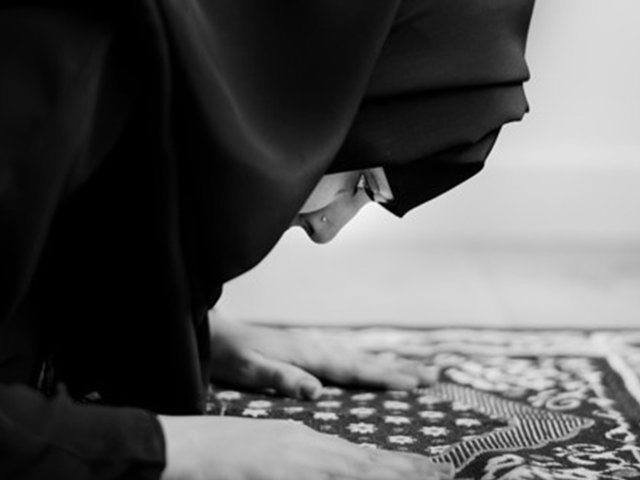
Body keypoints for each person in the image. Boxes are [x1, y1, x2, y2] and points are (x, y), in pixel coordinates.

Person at [0, 1, 535, 479]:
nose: (327, 229)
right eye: (362, 184)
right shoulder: (55, 49)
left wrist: (145, 322)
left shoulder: (135, 54)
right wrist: (173, 449)